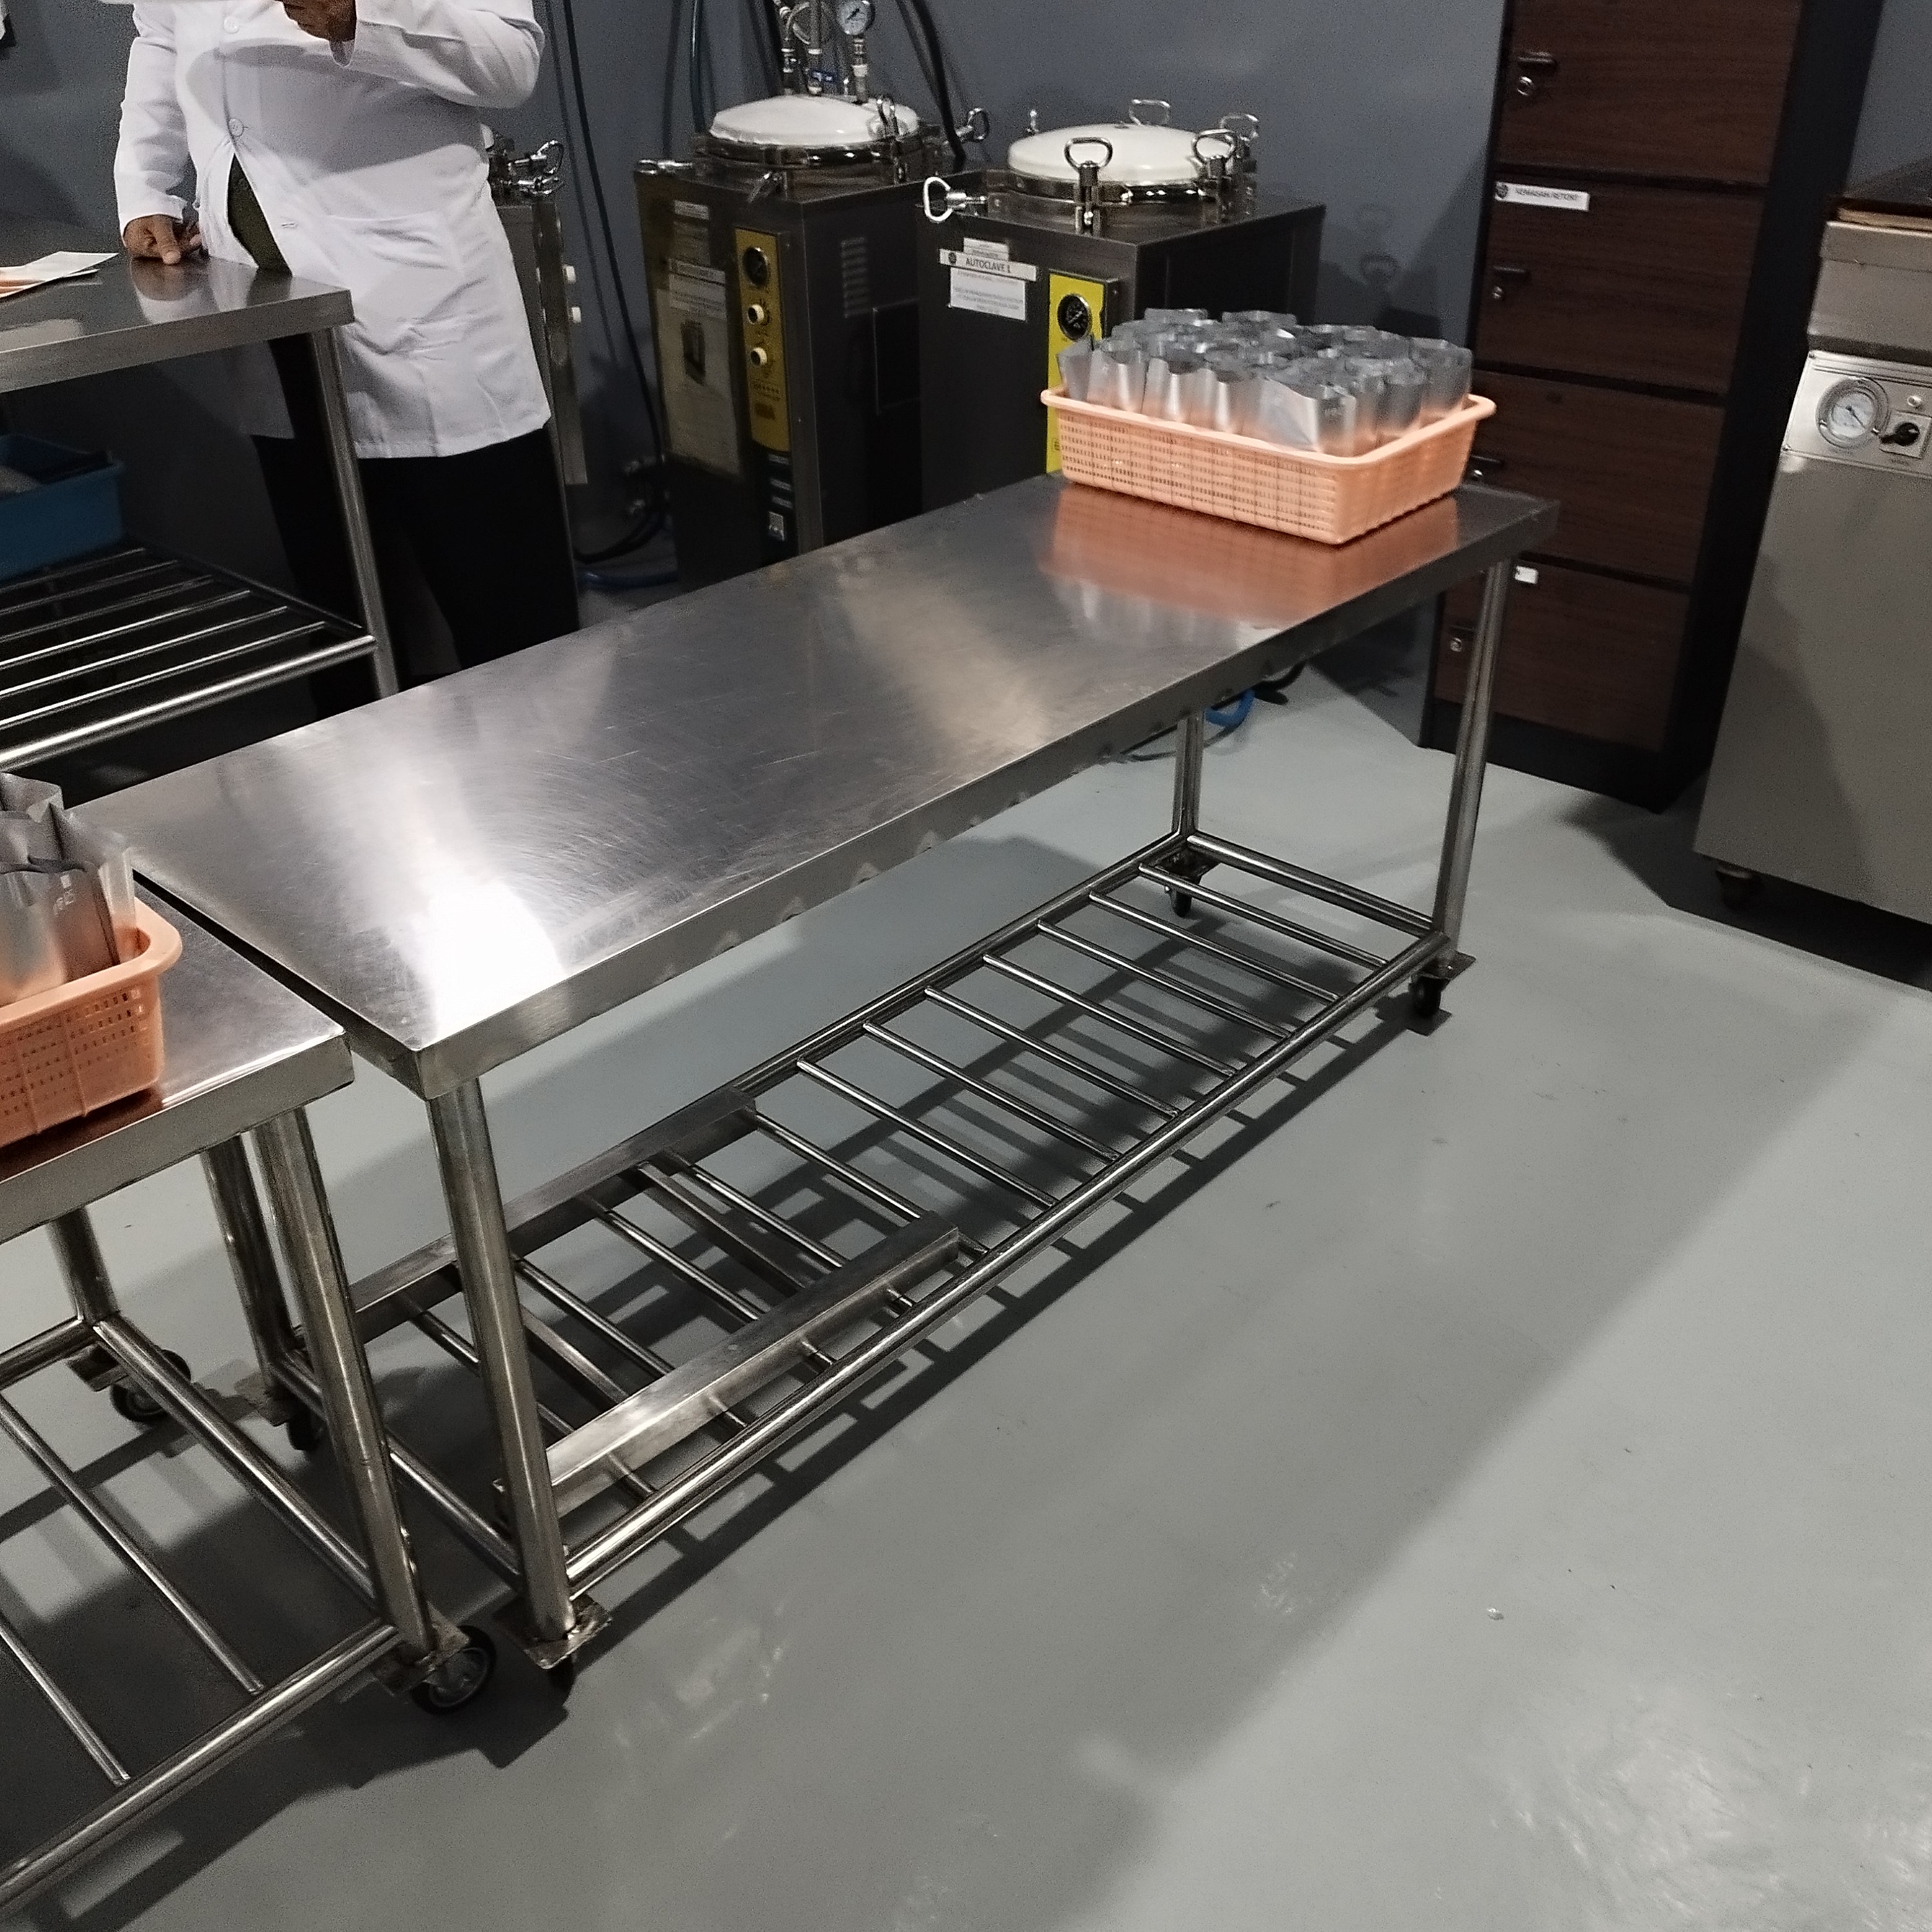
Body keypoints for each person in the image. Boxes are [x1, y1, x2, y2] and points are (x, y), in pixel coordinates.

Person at [114, 0, 580, 696]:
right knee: (345, 635)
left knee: (516, 637)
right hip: (271, 311)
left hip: (420, 304)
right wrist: (145, 185)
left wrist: (364, 17)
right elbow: (160, 32)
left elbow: (510, 61)